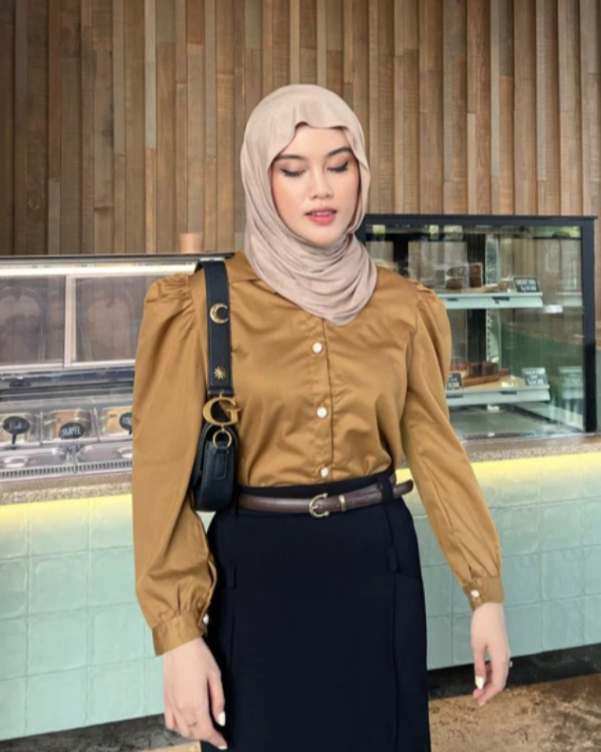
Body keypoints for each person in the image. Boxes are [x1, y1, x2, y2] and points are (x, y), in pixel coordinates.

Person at [131, 84, 511, 752]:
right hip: (259, 575)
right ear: (261, 180)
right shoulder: (199, 305)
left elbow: (436, 452)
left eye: (339, 164)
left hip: (378, 566)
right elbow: (159, 483)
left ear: (362, 172)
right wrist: (178, 636)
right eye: (293, 169)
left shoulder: (403, 306)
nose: (321, 188)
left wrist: (486, 594)